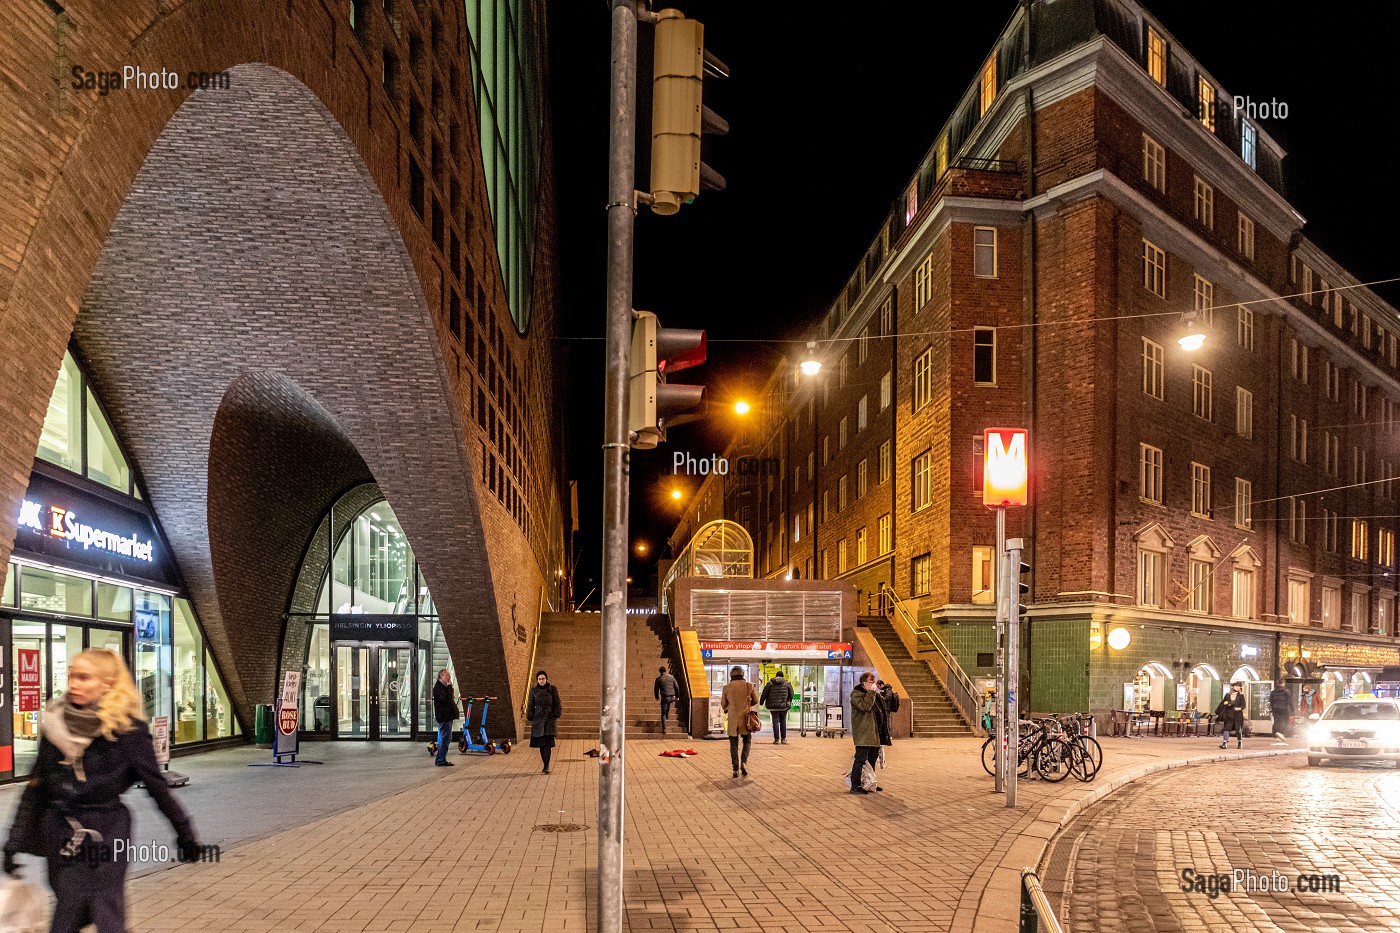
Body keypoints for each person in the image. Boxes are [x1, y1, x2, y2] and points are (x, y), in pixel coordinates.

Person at [4, 649, 199, 933]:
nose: (74, 683)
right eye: (72, 675)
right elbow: (36, 788)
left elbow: (158, 788)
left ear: (107, 683)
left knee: (106, 908)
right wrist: (13, 843)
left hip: (109, 831)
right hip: (61, 833)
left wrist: (185, 832)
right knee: (70, 908)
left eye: (84, 677)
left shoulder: (128, 731)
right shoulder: (54, 723)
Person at [849, 671, 892, 794]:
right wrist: (871, 692)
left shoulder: (873, 695)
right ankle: (855, 785)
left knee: (872, 759)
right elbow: (866, 707)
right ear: (864, 683)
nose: (873, 684)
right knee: (860, 759)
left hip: (874, 732)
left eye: (874, 682)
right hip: (863, 733)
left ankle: (870, 782)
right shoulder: (856, 695)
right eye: (870, 682)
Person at [720, 666, 759, 778]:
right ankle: (744, 762)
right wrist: (746, 705)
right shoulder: (749, 685)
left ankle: (735, 768)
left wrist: (730, 707)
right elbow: (755, 700)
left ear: (731, 675)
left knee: (733, 743)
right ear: (743, 674)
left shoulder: (726, 687)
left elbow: (723, 704)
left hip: (733, 720)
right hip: (745, 719)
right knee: (747, 741)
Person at [526, 671, 561, 774]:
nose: (541, 681)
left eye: (543, 678)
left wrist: (556, 714)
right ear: (537, 680)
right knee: (541, 744)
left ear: (546, 679)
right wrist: (530, 716)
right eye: (540, 679)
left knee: (547, 744)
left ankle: (546, 766)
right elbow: (531, 704)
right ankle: (545, 765)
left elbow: (557, 702)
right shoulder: (533, 690)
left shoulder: (552, 689)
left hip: (549, 718)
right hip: (538, 719)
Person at [432, 669, 459, 767]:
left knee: (446, 738)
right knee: (445, 738)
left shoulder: (444, 687)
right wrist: (450, 687)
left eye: (449, 675)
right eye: (447, 675)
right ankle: (440, 760)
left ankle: (440, 759)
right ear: (441, 676)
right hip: (444, 716)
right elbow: (446, 699)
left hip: (447, 715)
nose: (449, 677)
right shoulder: (439, 688)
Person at [759, 670, 795, 744]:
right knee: (783, 721)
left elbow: (764, 693)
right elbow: (791, 693)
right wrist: (789, 700)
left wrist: (761, 702)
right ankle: (783, 738)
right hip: (783, 706)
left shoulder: (770, 683)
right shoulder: (787, 683)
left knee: (775, 721)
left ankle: (776, 739)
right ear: (782, 676)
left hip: (773, 706)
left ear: (776, 676)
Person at [1217, 681, 1247, 749]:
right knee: (1226, 729)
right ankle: (1225, 743)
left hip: (1237, 715)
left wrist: (1239, 708)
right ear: (1232, 687)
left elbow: (1243, 705)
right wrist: (1225, 703)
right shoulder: (1227, 695)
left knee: (1238, 729)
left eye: (1239, 686)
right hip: (1229, 715)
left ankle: (1240, 743)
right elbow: (1222, 703)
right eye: (1236, 686)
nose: (1237, 687)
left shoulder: (1241, 696)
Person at [654, 666, 679, 735]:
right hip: (672, 697)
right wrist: (677, 696)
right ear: (665, 671)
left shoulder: (659, 679)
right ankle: (667, 716)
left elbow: (656, 689)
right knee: (668, 705)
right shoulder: (671, 677)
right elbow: (676, 686)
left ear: (660, 672)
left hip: (665, 697)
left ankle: (664, 729)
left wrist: (657, 696)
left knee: (663, 714)